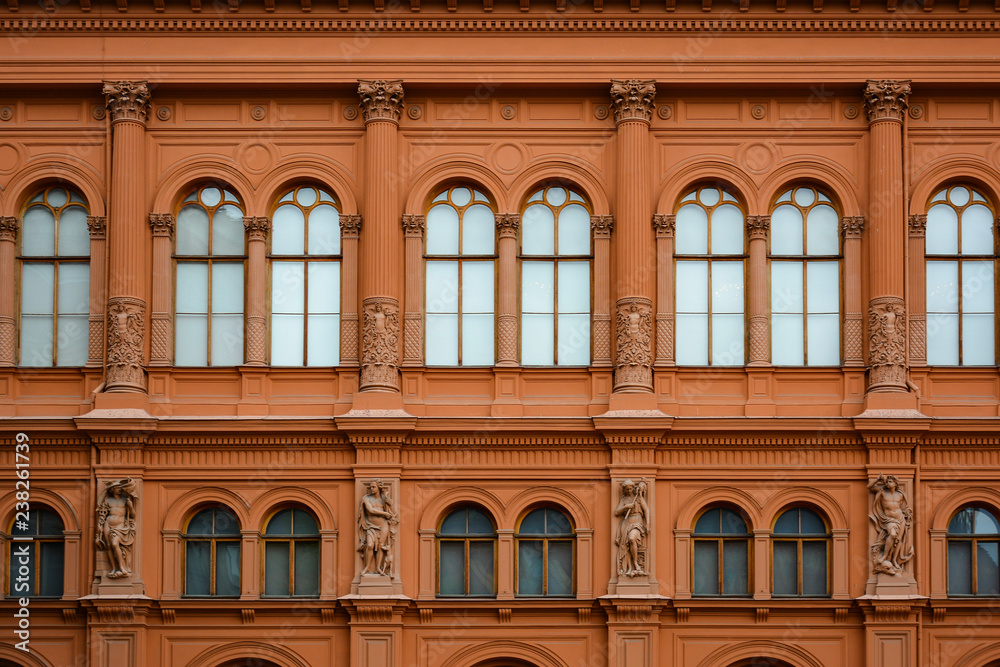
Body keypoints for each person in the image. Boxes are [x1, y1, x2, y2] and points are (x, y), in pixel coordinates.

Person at [869, 473, 913, 575]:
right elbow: (869, 487)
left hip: (900, 519)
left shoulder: (900, 494)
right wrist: (877, 479)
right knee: (893, 534)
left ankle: (894, 560)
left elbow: (903, 507)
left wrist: (907, 513)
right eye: (887, 481)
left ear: (895, 483)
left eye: (890, 482)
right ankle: (885, 556)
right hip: (888, 520)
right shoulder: (882, 492)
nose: (888, 483)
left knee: (899, 540)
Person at [95, 478, 137, 579]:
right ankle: (113, 568)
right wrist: (100, 526)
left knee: (115, 544)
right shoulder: (108, 500)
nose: (119, 489)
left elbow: (133, 515)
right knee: (109, 546)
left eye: (119, 487)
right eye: (117, 487)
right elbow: (102, 515)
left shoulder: (125, 500)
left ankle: (122, 567)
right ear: (112, 489)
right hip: (108, 524)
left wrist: (130, 506)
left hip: (119, 525)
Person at [357, 478, 397, 576]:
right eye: (371, 487)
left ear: (379, 487)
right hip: (370, 526)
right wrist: (384, 513)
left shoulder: (384, 498)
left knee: (380, 546)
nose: (372, 489)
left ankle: (378, 568)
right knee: (370, 545)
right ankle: (367, 567)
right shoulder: (366, 498)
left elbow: (392, 512)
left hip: (383, 525)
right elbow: (370, 510)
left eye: (374, 487)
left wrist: (390, 504)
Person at [614, 478, 649, 577]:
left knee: (631, 538)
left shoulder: (638, 498)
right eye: (627, 489)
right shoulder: (624, 500)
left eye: (630, 489)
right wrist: (626, 507)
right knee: (625, 546)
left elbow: (646, 510)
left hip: (637, 520)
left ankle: (635, 563)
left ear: (633, 488)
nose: (629, 491)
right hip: (626, 522)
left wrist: (648, 523)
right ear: (624, 490)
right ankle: (629, 568)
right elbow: (616, 512)